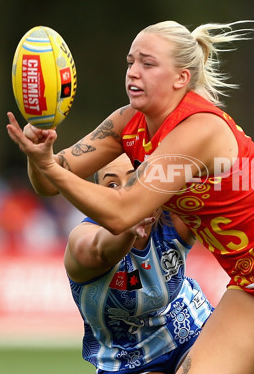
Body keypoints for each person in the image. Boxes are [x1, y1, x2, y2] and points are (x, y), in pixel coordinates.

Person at [6, 20, 254, 373]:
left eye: (147, 63)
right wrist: (39, 148)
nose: (132, 73)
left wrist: (51, 167)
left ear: (181, 78)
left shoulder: (200, 129)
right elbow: (49, 182)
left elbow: (123, 212)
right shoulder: (127, 121)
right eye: (130, 62)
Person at [66, 153, 214, 374]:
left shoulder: (175, 217)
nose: (127, 192)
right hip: (124, 361)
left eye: (135, 178)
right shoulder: (83, 241)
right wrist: (127, 229)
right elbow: (102, 250)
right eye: (112, 184)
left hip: (190, 329)